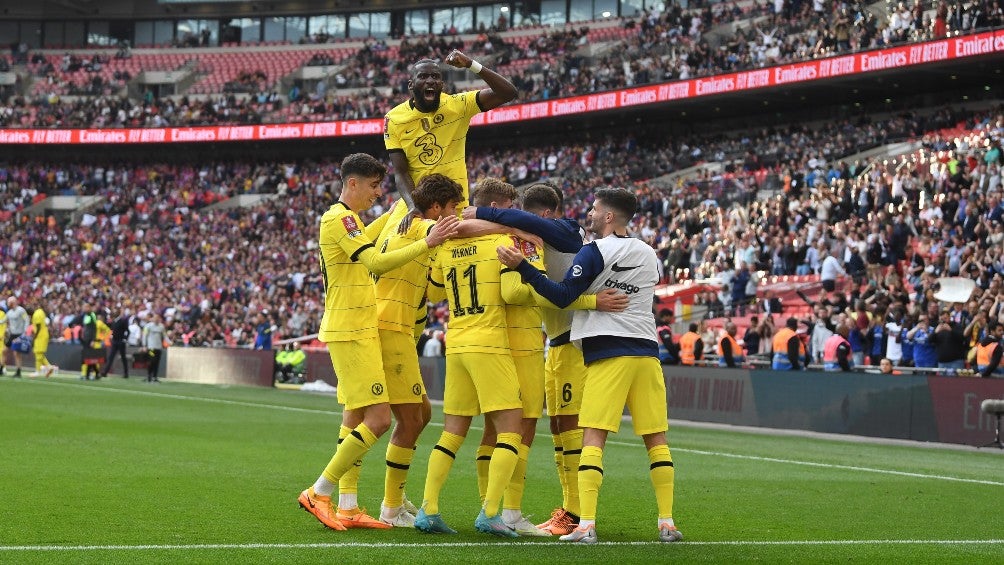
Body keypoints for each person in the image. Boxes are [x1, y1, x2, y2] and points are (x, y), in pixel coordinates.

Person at [497, 187, 683, 544]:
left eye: (596, 210)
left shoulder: (594, 251)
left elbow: (564, 295)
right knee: (656, 439)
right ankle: (667, 522)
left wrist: (522, 267)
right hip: (647, 352)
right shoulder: (649, 253)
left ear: (609, 216)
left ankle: (585, 524)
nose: (591, 215)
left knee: (592, 436)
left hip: (607, 352)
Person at [297, 153, 459, 532]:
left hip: (362, 326)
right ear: (352, 183)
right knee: (381, 418)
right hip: (349, 328)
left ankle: (349, 505)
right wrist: (428, 239)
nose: (377, 193)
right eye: (372, 185)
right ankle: (319, 492)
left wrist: (408, 205)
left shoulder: (353, 221)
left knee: (357, 416)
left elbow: (386, 226)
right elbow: (375, 262)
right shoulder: (338, 218)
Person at [462, 182, 626, 536]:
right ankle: (568, 510)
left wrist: (491, 216)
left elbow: (514, 228)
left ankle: (576, 513)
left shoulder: (566, 232)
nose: (525, 229)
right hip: (557, 341)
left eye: (530, 219)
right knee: (557, 427)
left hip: (576, 341)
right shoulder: (538, 235)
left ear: (546, 216)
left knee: (570, 427)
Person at [414, 180, 524, 538]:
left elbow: (433, 292)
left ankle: (428, 509)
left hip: (456, 341)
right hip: (489, 341)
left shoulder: (446, 247)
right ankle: (491, 513)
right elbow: (512, 293)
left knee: (452, 431)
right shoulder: (502, 242)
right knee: (512, 427)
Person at [368, 173, 464, 527]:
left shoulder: (409, 219)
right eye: (452, 207)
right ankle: (390, 508)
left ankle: (395, 499)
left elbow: (436, 292)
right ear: (436, 207)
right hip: (389, 327)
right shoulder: (421, 226)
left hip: (398, 328)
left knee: (421, 414)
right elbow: (448, 232)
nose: (455, 213)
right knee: (409, 418)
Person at [384, 50, 517, 222]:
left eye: (435, 77)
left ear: (441, 84)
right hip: (418, 207)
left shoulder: (459, 105)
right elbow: (401, 172)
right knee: (382, 246)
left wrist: (471, 64)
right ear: (411, 85)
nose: (430, 80)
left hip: (454, 207)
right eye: (423, 76)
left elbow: (508, 93)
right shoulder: (393, 119)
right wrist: (413, 206)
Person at [4, 296, 30, 378]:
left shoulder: (21, 310)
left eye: (9, 302)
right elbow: (3, 320)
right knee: (4, 350)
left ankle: (18, 371)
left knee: (16, 353)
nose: (8, 304)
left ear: (13, 302)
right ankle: (2, 367)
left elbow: (26, 319)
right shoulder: (9, 312)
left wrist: (25, 330)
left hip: (19, 334)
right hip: (12, 334)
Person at [102, 308, 131, 378]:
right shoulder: (114, 321)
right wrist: (112, 335)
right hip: (114, 342)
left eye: (115, 312)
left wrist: (125, 339)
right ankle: (105, 372)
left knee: (123, 358)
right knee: (111, 357)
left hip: (120, 341)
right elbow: (113, 330)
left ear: (118, 313)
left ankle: (126, 373)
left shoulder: (122, 321)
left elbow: (128, 331)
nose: (114, 313)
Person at [30, 303, 56, 377]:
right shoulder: (41, 311)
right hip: (43, 335)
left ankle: (38, 371)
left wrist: (34, 336)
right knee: (39, 354)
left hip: (40, 336)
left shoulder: (36, 314)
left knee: (38, 353)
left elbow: (38, 327)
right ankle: (49, 367)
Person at [142, 313, 166, 382]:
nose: (156, 319)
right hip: (151, 348)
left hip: (158, 348)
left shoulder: (161, 327)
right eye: (155, 318)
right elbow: (144, 336)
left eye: (158, 318)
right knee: (152, 361)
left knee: (157, 362)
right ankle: (149, 375)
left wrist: (169, 342)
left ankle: (155, 377)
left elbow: (164, 336)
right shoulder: (148, 326)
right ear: (152, 319)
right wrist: (144, 345)